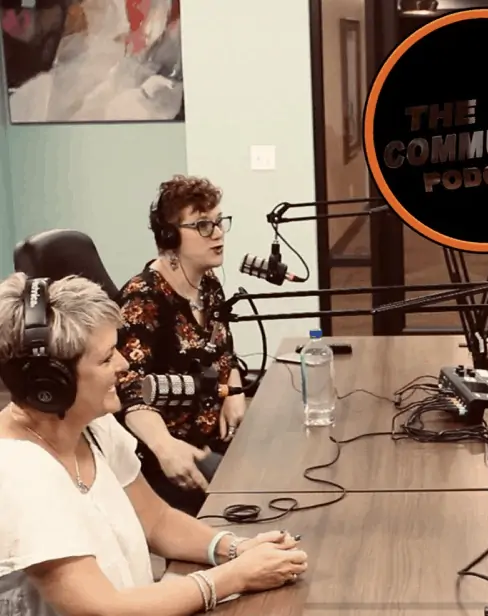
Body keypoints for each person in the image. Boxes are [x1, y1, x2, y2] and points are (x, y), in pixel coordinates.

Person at [0, 273, 308, 615]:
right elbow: (105, 609)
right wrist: (236, 577)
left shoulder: (93, 425)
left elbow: (156, 521)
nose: (124, 364)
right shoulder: (18, 475)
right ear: (49, 384)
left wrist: (235, 548)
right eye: (106, 358)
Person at [115, 174, 246, 516]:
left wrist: (234, 391)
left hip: (214, 439)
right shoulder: (143, 297)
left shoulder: (209, 284)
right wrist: (165, 447)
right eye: (203, 225)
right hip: (170, 456)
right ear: (170, 236)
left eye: (219, 222)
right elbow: (129, 387)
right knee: (253, 498)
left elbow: (223, 350)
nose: (217, 233)